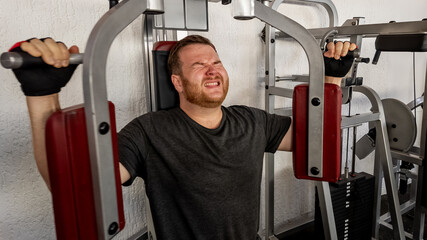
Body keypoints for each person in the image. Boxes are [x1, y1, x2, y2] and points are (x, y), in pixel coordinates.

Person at [9, 35, 356, 240]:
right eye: (198, 65)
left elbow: (316, 143)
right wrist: (43, 96)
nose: (212, 69)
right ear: (177, 82)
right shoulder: (150, 131)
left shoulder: (252, 121)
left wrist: (332, 80)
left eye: (216, 62)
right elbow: (75, 190)